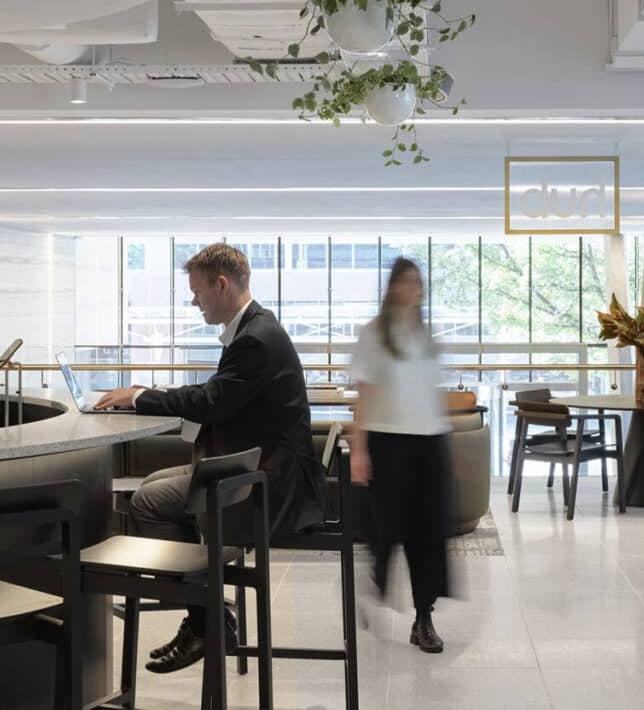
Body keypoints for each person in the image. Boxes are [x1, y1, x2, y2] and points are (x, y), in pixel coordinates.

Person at [93, 242, 324, 673]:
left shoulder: (255, 339)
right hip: (256, 464)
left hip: (265, 482)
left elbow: (212, 401)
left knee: (147, 503)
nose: (194, 301)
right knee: (152, 485)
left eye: (197, 292)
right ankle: (208, 615)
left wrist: (140, 396)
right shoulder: (256, 328)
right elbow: (222, 402)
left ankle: (206, 620)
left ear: (221, 284)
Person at [349, 257, 455, 654]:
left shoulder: (427, 337)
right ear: (394, 286)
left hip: (429, 443)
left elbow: (432, 393)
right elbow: (364, 395)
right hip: (388, 441)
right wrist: (359, 449)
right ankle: (373, 586)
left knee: (427, 533)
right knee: (385, 530)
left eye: (419, 282)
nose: (415, 288)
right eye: (408, 281)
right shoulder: (375, 334)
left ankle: (423, 618)